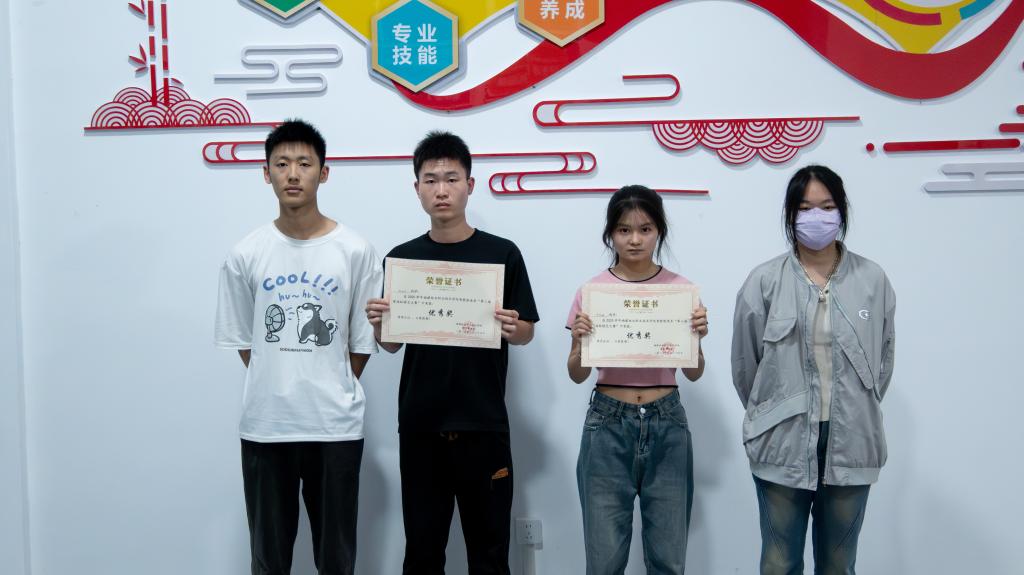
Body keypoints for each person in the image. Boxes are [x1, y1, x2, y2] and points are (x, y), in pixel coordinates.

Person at [364, 131, 539, 574]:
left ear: (469, 185)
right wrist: (380, 323)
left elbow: (525, 333)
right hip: (421, 426)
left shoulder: (502, 254)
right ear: (417, 188)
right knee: (422, 553)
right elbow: (391, 344)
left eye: (451, 179)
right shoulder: (402, 260)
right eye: (430, 180)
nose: (441, 190)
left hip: (483, 423)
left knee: (490, 554)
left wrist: (511, 325)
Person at [214, 119, 381, 575]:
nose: (293, 174)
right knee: (269, 560)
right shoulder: (245, 254)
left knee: (337, 559)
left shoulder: (355, 250)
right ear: (265, 173)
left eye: (305, 164)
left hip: (335, 428)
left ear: (323, 173)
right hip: (267, 427)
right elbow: (246, 344)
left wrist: (326, 380)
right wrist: (280, 377)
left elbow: (360, 344)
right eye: (282, 163)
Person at [731, 165, 896, 575]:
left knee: (839, 565)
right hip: (781, 440)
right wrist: (772, 411)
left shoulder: (872, 279)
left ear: (842, 211)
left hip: (851, 440)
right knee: (779, 563)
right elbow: (746, 367)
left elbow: (883, 361)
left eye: (827, 206)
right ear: (790, 215)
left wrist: (857, 408)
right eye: (805, 208)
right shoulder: (764, 280)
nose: (816, 217)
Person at [566, 185, 708, 575]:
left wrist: (697, 338)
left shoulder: (681, 291)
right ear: (610, 233)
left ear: (659, 231)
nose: (634, 239)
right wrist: (578, 341)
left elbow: (694, 372)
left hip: (667, 419)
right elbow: (577, 374)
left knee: (668, 558)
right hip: (607, 421)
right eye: (624, 230)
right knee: (604, 559)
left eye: (645, 229)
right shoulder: (592, 292)